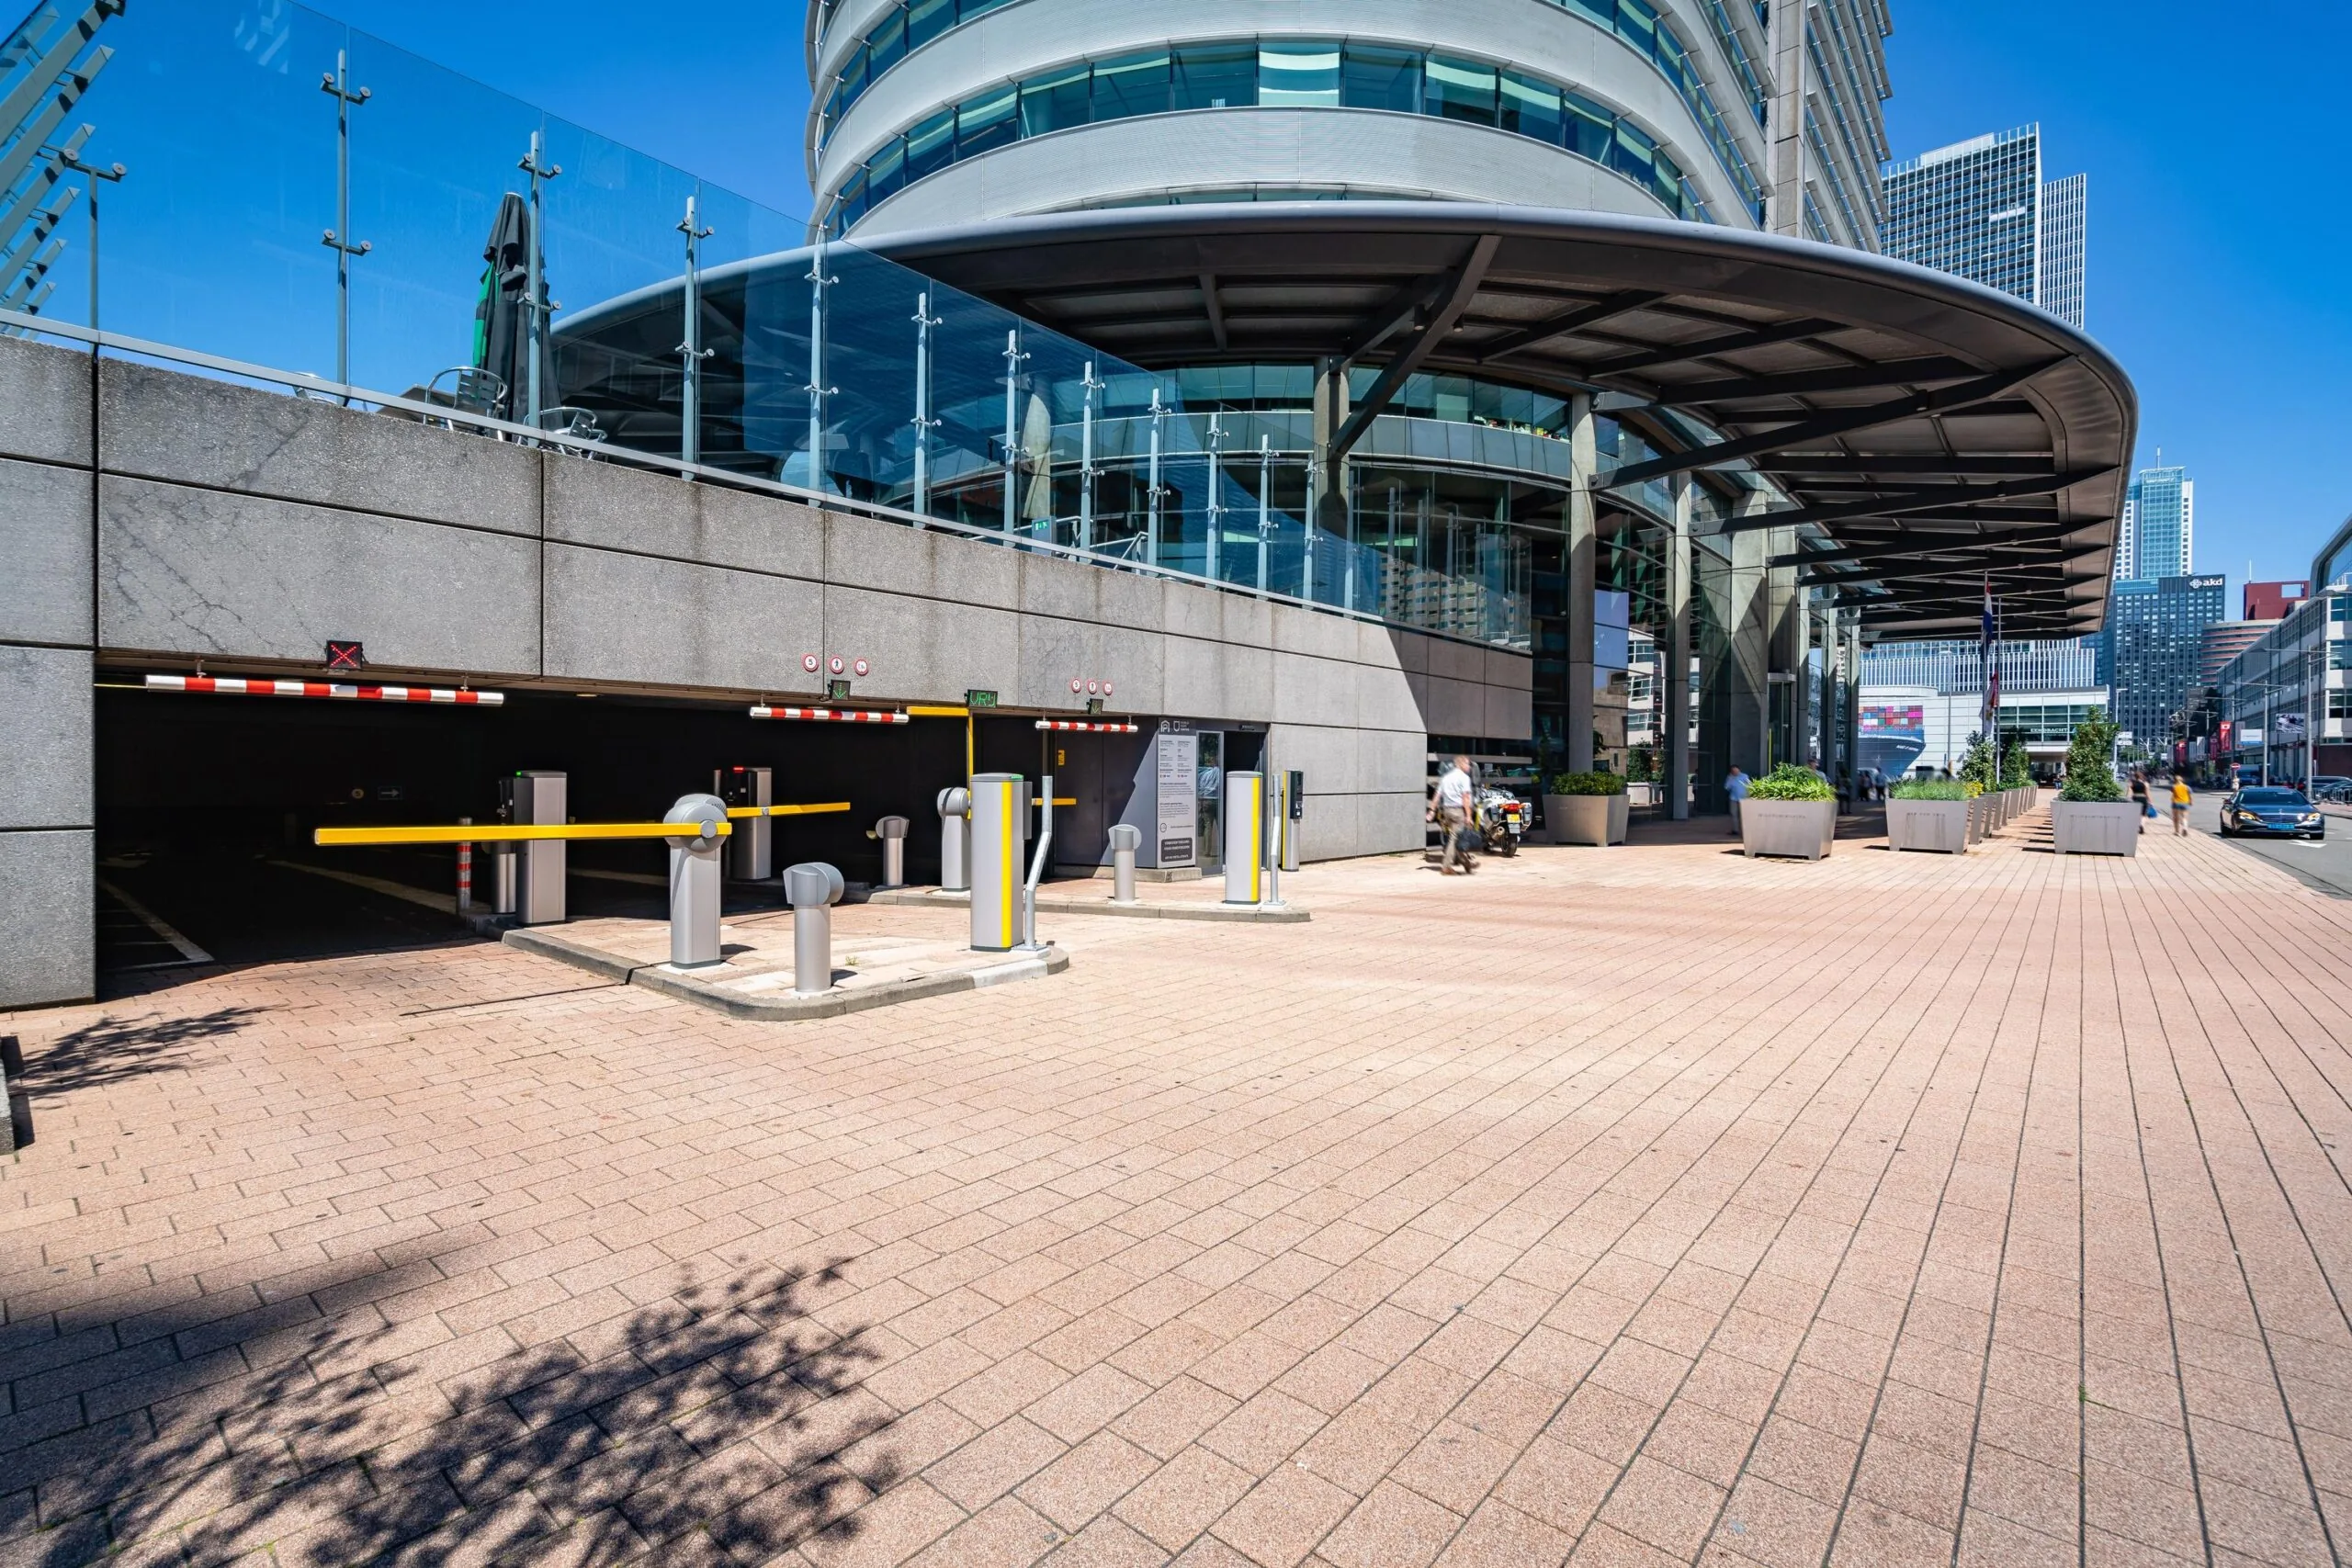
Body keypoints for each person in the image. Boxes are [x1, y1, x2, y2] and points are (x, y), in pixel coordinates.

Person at [1429, 753, 1476, 874]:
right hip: (1458, 812)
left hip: (1447, 811)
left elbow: (1437, 795)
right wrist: (1468, 816)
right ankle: (1446, 867)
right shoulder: (1464, 778)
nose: (1469, 766)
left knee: (1459, 838)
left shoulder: (1446, 778)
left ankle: (1467, 864)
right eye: (1468, 764)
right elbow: (1466, 798)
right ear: (1461, 764)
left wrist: (1432, 810)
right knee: (1455, 839)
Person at [1724, 764, 1750, 836]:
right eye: (1733, 771)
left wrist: (1749, 795)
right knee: (1733, 814)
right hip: (1733, 798)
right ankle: (1735, 830)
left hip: (1744, 798)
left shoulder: (1744, 776)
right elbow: (1726, 787)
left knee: (1743, 815)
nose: (1735, 772)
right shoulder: (1730, 777)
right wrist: (1730, 779)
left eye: (1736, 770)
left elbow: (1750, 785)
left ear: (1739, 770)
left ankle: (1744, 830)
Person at [2170, 772, 2192, 837]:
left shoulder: (2174, 787)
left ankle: (2177, 832)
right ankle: (2185, 828)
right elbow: (2190, 796)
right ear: (2182, 780)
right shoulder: (2187, 787)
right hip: (2185, 803)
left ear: (2175, 780)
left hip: (2176, 803)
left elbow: (2172, 793)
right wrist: (2191, 802)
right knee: (2184, 817)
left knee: (2176, 818)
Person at [2129, 770, 2150, 834]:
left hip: (2135, 798)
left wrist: (2128, 799)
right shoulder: (2145, 784)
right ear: (2142, 776)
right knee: (2144, 815)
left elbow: (2129, 793)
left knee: (2136, 814)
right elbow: (2147, 793)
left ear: (2135, 776)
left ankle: (2136, 826)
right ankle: (2142, 825)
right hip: (2143, 799)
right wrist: (2150, 801)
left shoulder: (2132, 783)